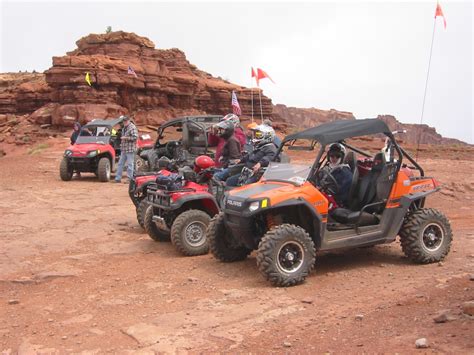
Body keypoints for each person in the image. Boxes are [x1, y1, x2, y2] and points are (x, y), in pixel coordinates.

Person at [114, 115, 138, 183]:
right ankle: (118, 178)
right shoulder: (124, 128)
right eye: (124, 121)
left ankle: (130, 179)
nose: (124, 122)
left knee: (130, 164)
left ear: (129, 120)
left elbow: (135, 137)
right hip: (124, 149)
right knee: (120, 163)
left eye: (125, 121)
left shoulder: (132, 127)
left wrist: (126, 138)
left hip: (130, 149)